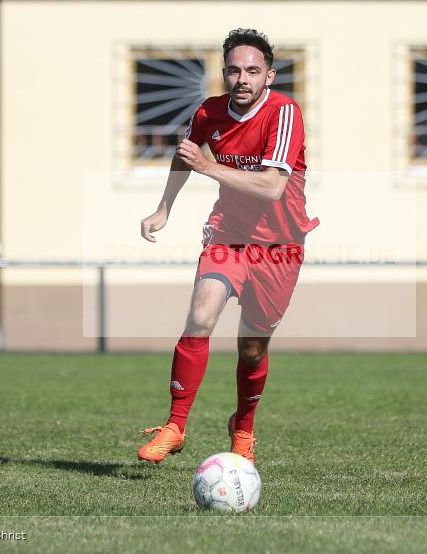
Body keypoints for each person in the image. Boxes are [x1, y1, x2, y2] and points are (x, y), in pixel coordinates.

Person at [137, 28, 319, 465]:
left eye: (253, 71)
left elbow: (272, 187)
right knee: (201, 315)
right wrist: (164, 208)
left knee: (252, 348)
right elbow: (185, 156)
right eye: (235, 70)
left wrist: (209, 166)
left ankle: (243, 428)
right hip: (230, 235)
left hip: (280, 246)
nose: (243, 79)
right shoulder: (208, 112)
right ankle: (175, 426)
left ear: (269, 76)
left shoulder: (284, 113)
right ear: (224, 73)